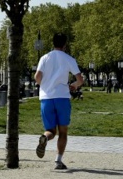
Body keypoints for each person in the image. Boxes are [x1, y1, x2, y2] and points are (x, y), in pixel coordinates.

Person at [34, 32, 84, 170]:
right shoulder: (69, 59)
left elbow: (37, 77)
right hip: (62, 97)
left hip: (46, 98)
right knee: (63, 131)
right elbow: (80, 80)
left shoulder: (45, 58)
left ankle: (45, 137)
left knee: (50, 130)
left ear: (53, 43)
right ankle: (58, 160)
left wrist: (44, 85)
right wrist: (73, 86)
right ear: (65, 44)